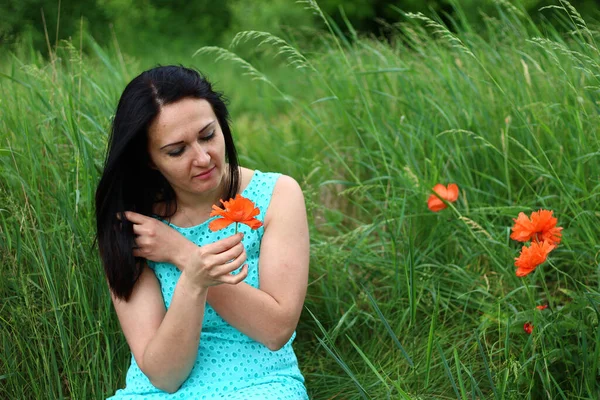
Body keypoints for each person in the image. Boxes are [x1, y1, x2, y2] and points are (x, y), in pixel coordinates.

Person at [95, 65, 310, 399]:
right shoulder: (134, 225)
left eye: (208, 135)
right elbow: (165, 376)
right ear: (150, 159)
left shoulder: (277, 195)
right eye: (177, 151)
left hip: (258, 385)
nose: (203, 158)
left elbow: (276, 330)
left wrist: (183, 255)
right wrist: (192, 284)